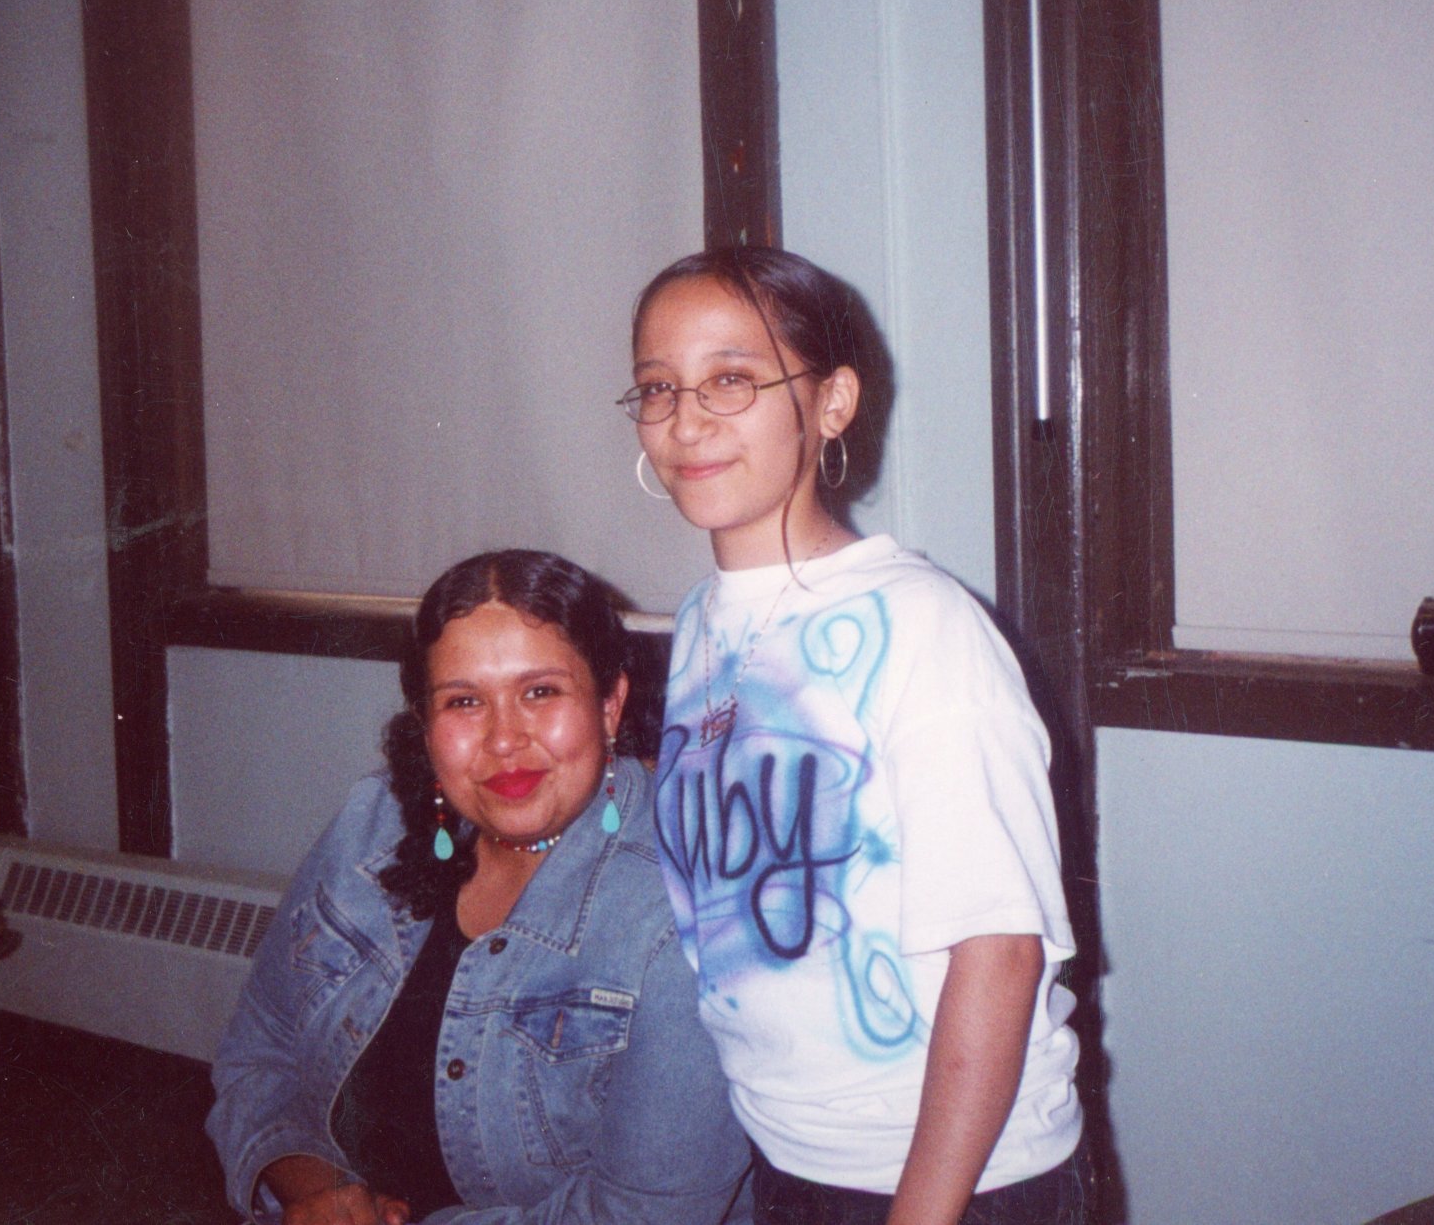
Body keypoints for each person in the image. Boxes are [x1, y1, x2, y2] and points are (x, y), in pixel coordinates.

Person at [625, 247, 1084, 1225]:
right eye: (659, 387)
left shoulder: (924, 624)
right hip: (789, 1156)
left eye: (731, 379)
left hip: (956, 1179)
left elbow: (999, 953)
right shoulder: (702, 620)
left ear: (831, 401)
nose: (686, 420)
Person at [209, 550, 752, 1225]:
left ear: (610, 704)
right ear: (425, 723)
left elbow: (643, 1213)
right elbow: (259, 1050)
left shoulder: (685, 908)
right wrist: (313, 1187)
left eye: (540, 692)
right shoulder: (370, 825)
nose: (504, 739)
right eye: (464, 701)